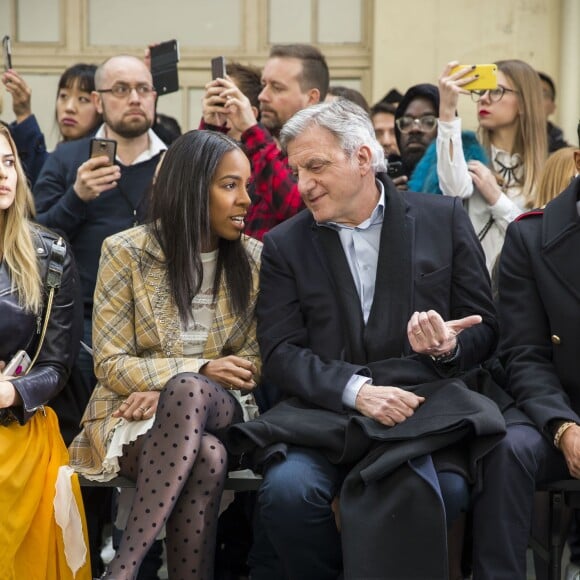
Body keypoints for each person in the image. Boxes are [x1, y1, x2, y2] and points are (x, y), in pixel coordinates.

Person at [226, 100, 506, 580]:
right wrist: (358, 392)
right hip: (324, 417)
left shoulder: (444, 219)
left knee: (449, 491)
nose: (304, 185)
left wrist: (448, 348)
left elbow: (486, 329)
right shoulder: (285, 244)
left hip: (423, 413)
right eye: (297, 171)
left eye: (316, 166)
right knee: (289, 493)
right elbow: (280, 353)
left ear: (361, 158)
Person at [69, 129, 262, 580]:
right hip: (130, 416)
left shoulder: (254, 259)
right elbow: (110, 362)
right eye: (230, 185)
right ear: (192, 189)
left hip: (223, 406)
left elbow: (250, 362)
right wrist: (187, 378)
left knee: (189, 392)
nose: (246, 200)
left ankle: (123, 568)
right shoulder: (126, 251)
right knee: (208, 457)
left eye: (246, 186)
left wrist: (175, 392)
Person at [33, 53, 167, 577]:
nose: (135, 98)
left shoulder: (175, 160)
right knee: (80, 458)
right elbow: (34, 237)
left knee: (151, 453)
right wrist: (78, 196)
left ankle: (143, 558)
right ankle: (86, 558)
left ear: (156, 95)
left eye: (143, 88)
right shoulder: (68, 159)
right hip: (81, 329)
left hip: (159, 332)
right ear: (100, 100)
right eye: (121, 89)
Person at [470, 129, 580, 580]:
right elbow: (525, 354)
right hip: (554, 408)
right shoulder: (531, 238)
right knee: (507, 448)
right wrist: (565, 428)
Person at [0, 124, 90, 579]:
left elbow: (58, 362)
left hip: (19, 427)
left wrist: (12, 393)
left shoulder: (49, 252)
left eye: (9, 162)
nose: (3, 174)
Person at [202, 43, 329, 240]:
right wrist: (212, 128)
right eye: (264, 85)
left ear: (311, 98)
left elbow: (295, 206)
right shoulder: (252, 148)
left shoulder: (328, 153)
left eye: (277, 88)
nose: (262, 96)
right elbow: (197, 197)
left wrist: (252, 130)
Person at [436, 59, 548, 272]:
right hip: (471, 294)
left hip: (520, 297)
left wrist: (497, 200)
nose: (484, 99)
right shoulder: (470, 155)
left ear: (524, 103)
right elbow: (452, 189)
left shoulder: (545, 173)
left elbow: (538, 244)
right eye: (482, 91)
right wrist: (447, 112)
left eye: (496, 91)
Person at [1, 63, 102, 186]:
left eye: (83, 99)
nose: (69, 108)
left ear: (100, 105)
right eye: (63, 96)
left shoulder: (102, 162)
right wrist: (23, 113)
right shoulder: (55, 158)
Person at [201, 61, 262, 141]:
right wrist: (209, 128)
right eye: (216, 96)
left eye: (226, 98)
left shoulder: (260, 151)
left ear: (252, 113)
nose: (216, 106)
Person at [393, 83, 440, 180]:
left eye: (428, 121)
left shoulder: (461, 181)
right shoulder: (380, 183)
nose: (414, 129)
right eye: (406, 122)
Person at [537, 71, 569, 153]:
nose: (535, 99)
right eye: (529, 94)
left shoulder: (567, 156)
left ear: (553, 108)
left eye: (543, 94)